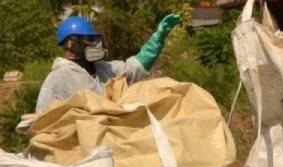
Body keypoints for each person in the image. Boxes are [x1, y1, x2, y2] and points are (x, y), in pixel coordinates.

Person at [35, 13, 182, 113]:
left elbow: (135, 67)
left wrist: (158, 38)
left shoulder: (105, 69)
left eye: (95, 40)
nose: (95, 45)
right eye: (89, 40)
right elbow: (44, 120)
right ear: (69, 43)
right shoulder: (58, 78)